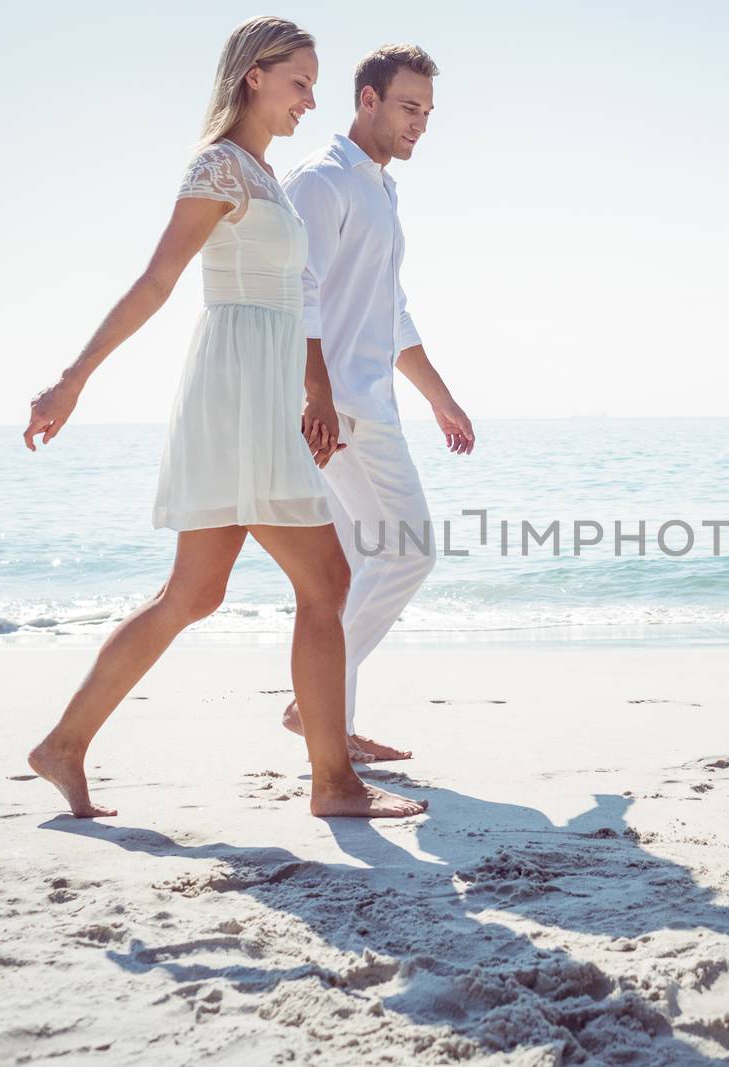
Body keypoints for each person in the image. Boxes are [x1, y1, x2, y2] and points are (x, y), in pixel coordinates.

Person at [20, 16, 426, 820]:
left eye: (314, 85)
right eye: (300, 83)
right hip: (239, 392)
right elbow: (155, 283)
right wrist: (73, 379)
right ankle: (333, 782)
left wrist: (314, 389)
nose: (312, 99)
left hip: (265, 388)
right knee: (328, 578)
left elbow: (299, 297)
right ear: (254, 77)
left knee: (193, 593)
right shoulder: (220, 169)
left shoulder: (265, 174)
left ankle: (63, 744)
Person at [279, 44, 474, 763]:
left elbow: (391, 314)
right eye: (407, 106)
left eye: (426, 111)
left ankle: (335, 728)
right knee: (411, 552)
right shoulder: (322, 181)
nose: (419, 123)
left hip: (366, 400)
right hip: (340, 407)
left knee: (364, 566)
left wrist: (441, 401)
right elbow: (292, 292)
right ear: (367, 100)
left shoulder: (381, 191)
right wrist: (317, 397)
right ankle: (311, 702)